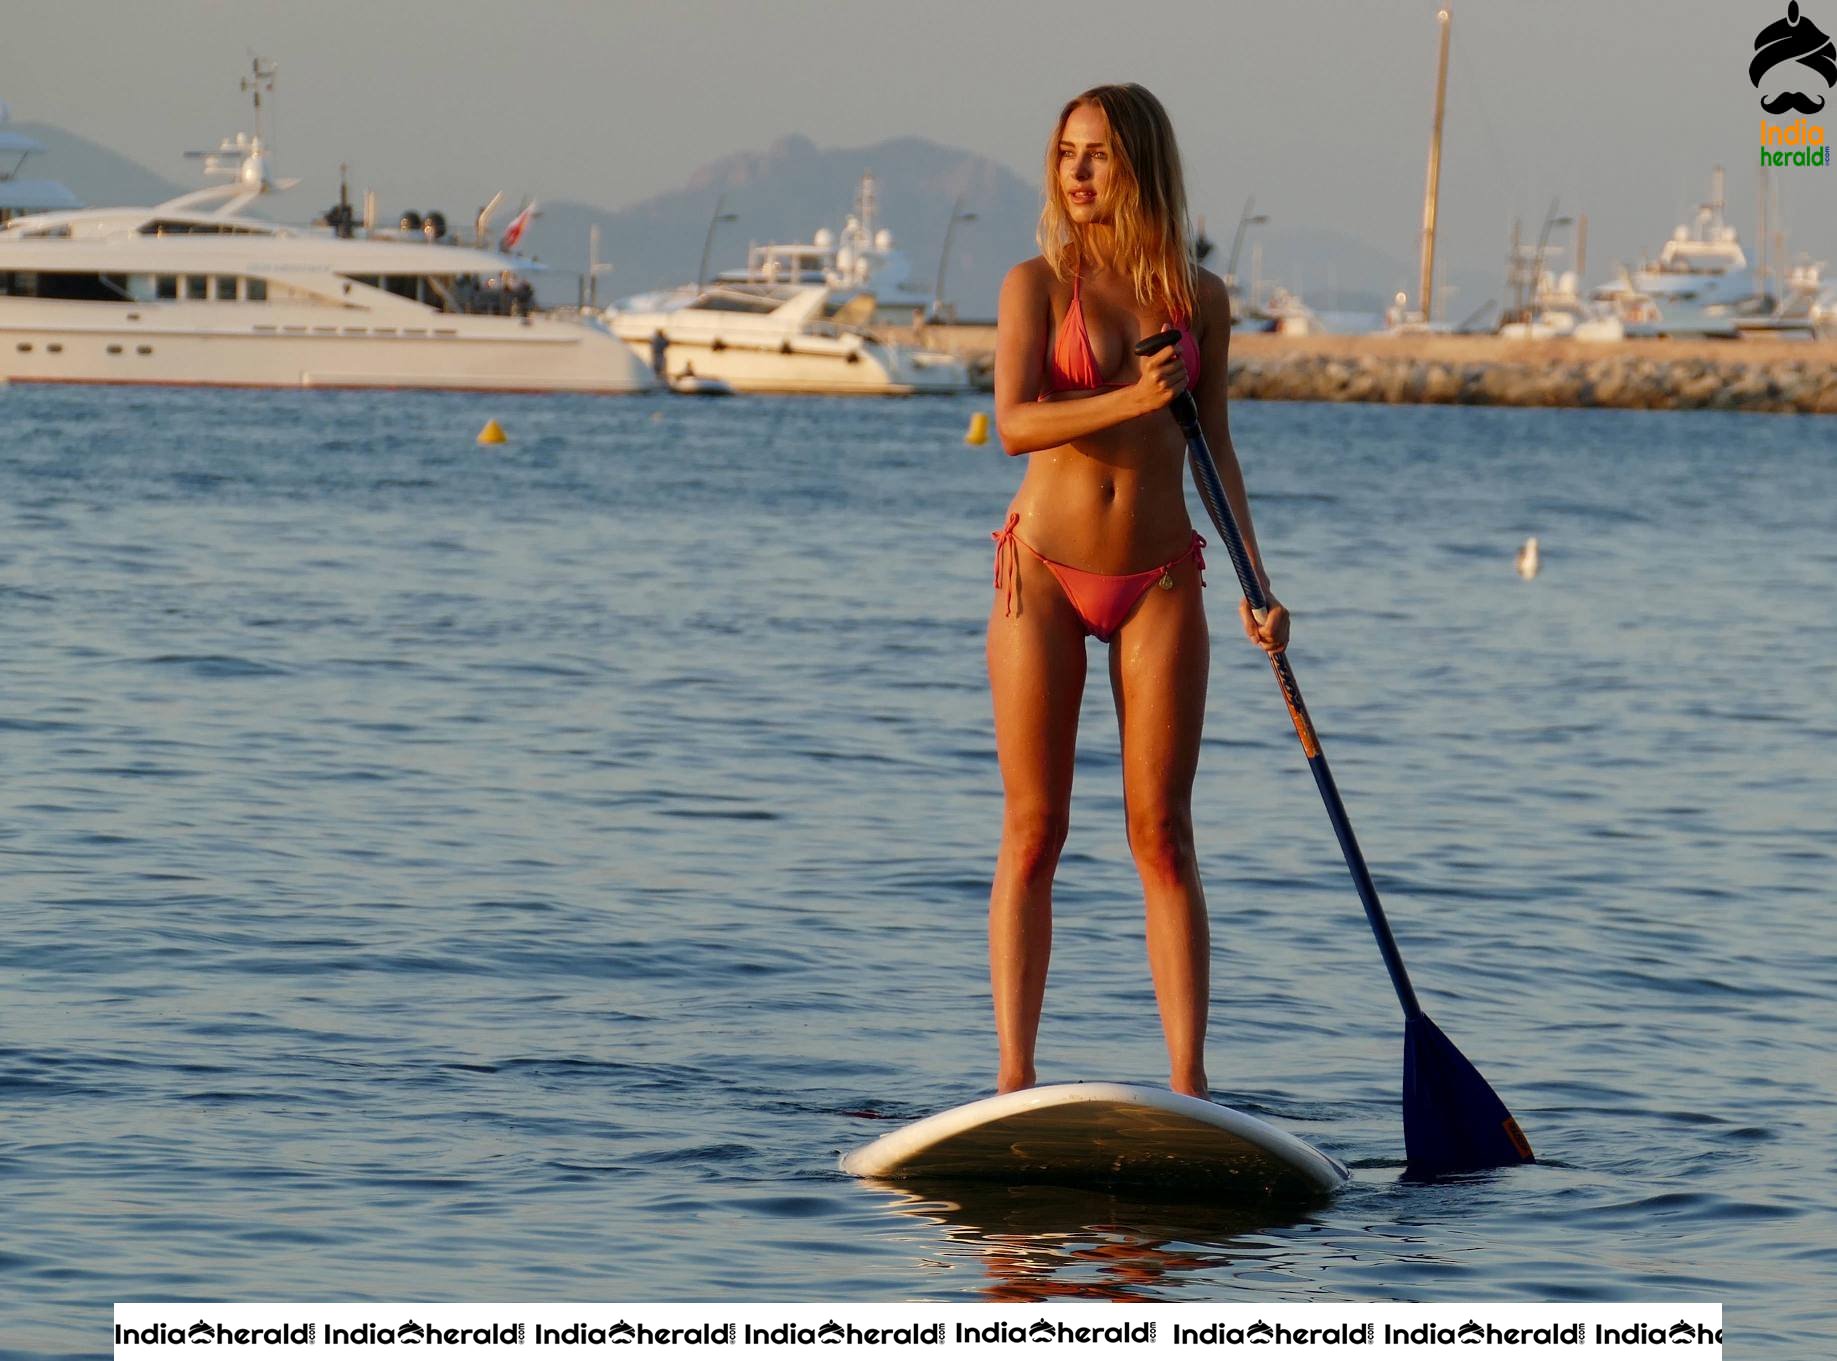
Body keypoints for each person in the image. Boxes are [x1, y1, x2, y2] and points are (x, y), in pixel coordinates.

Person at [987, 83, 1288, 1100]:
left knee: (1162, 829)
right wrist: (1128, 396)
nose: (1076, 172)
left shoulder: (1200, 299)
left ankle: (1192, 1087)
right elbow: (1015, 424)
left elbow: (1217, 451)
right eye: (1065, 152)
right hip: (1043, 568)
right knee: (1036, 829)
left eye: (1098, 155)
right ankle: (1014, 1076)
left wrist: (1257, 581)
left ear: (1140, 166)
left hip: (1162, 574)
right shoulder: (1034, 282)